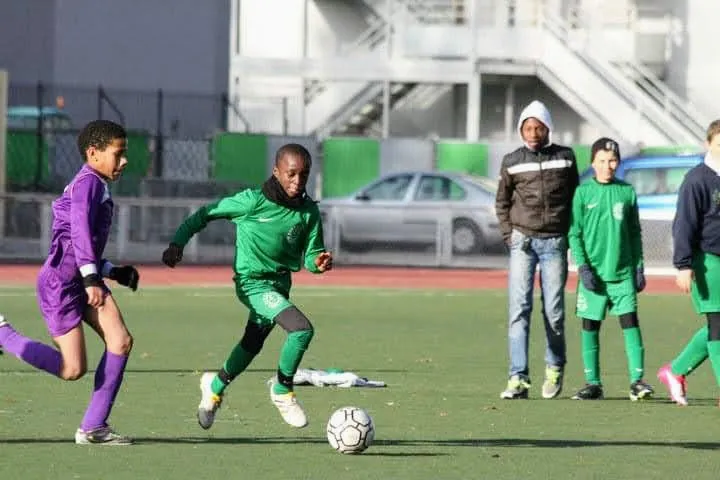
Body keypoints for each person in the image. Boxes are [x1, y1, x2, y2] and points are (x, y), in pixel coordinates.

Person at [161, 143, 332, 429]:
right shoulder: (252, 202)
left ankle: (214, 386)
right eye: (291, 174)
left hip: (278, 286)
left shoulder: (308, 212)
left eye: (304, 175)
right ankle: (282, 390)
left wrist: (320, 262)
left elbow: (312, 257)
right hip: (252, 284)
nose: (297, 181)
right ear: (276, 171)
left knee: (251, 345)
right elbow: (205, 213)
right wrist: (177, 243)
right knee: (301, 330)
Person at [0, 120, 139, 445]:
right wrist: (93, 276)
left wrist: (111, 271)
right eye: (118, 154)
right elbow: (77, 232)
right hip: (61, 284)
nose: (125, 161)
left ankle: (93, 427)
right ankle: (3, 334)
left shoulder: (96, 184)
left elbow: (80, 244)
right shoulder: (87, 183)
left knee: (120, 341)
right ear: (93, 153)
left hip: (80, 277)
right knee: (71, 368)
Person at [495, 100, 579, 399]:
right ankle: (518, 378)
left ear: (547, 128)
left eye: (538, 127)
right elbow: (502, 202)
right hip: (523, 243)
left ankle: (554, 367)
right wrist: (510, 235)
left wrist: (570, 235)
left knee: (554, 312)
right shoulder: (512, 161)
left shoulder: (566, 158)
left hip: (555, 243)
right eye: (527, 127)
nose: (532, 133)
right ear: (521, 130)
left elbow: (574, 200)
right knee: (519, 310)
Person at [567, 137, 654, 401]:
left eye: (612, 160)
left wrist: (639, 267)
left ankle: (637, 382)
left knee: (630, 323)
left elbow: (635, 233)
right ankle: (593, 384)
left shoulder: (626, 192)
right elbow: (575, 234)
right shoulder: (582, 193)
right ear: (593, 162)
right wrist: (583, 267)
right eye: (602, 161)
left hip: (623, 273)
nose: (608, 166)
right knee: (590, 326)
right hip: (593, 275)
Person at [657, 119, 720, 406]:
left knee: (716, 325)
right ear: (708, 144)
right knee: (718, 324)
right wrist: (683, 265)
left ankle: (676, 370)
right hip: (707, 261)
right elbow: (683, 224)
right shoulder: (697, 179)